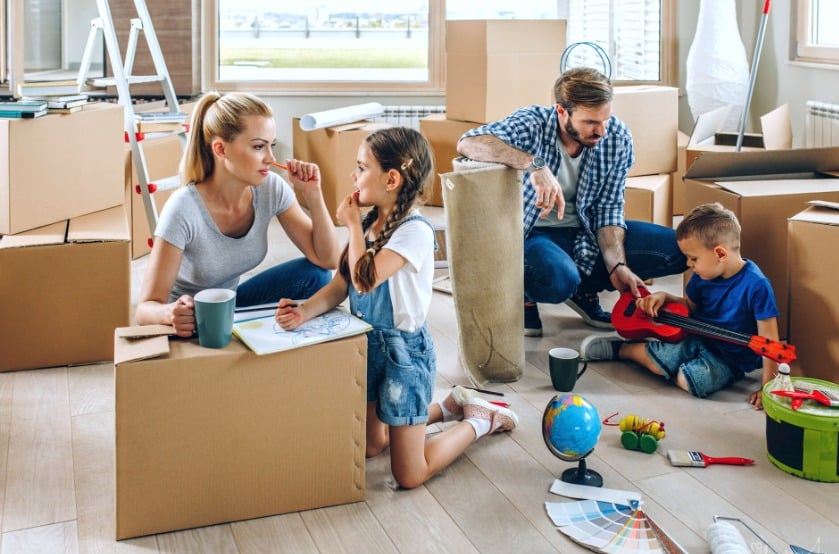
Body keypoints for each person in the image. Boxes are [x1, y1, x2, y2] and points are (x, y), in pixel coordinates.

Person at [274, 127, 518, 489]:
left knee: (409, 475)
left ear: (391, 179)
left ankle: (479, 421)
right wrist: (304, 311)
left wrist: (352, 226)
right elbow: (342, 283)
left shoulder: (414, 232)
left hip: (405, 357)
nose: (353, 177)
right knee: (372, 446)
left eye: (361, 167)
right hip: (370, 348)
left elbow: (365, 279)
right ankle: (449, 406)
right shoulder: (371, 223)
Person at [457, 67, 685, 338]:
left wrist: (617, 266)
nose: (601, 131)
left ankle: (583, 289)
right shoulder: (533, 123)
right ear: (562, 112)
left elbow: (609, 209)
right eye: (590, 122)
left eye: (605, 119)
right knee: (558, 279)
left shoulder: (617, 137)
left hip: (587, 233)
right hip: (535, 232)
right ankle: (527, 295)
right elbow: (468, 143)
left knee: (680, 249)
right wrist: (533, 163)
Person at [135, 91, 340, 336]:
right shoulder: (183, 209)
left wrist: (314, 195)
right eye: (258, 147)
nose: (271, 159)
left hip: (230, 306)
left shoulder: (271, 188)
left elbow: (328, 260)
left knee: (315, 276)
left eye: (270, 145)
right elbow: (145, 309)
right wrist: (171, 314)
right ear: (221, 149)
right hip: (193, 322)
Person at [580, 203, 780, 408]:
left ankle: (664, 357)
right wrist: (665, 296)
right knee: (662, 361)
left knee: (692, 381)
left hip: (730, 361)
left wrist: (768, 387)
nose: (688, 264)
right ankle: (623, 350)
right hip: (695, 339)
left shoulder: (757, 286)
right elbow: (690, 307)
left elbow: (770, 342)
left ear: (720, 254)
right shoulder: (703, 275)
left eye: (693, 258)